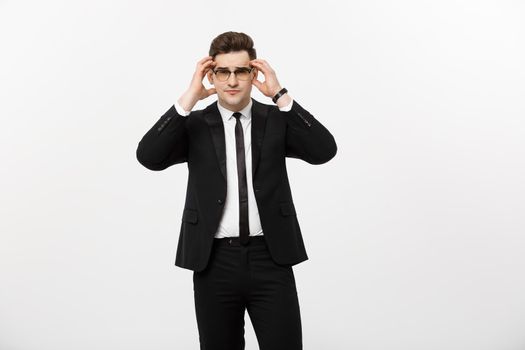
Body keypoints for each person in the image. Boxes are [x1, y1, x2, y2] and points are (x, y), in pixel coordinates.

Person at [136, 31, 337, 350]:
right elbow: (148, 156)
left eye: (241, 71)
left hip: (270, 257)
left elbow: (324, 150)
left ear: (253, 74)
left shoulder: (275, 120)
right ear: (211, 75)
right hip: (214, 261)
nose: (232, 80)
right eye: (223, 72)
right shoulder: (195, 124)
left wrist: (281, 95)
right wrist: (189, 97)